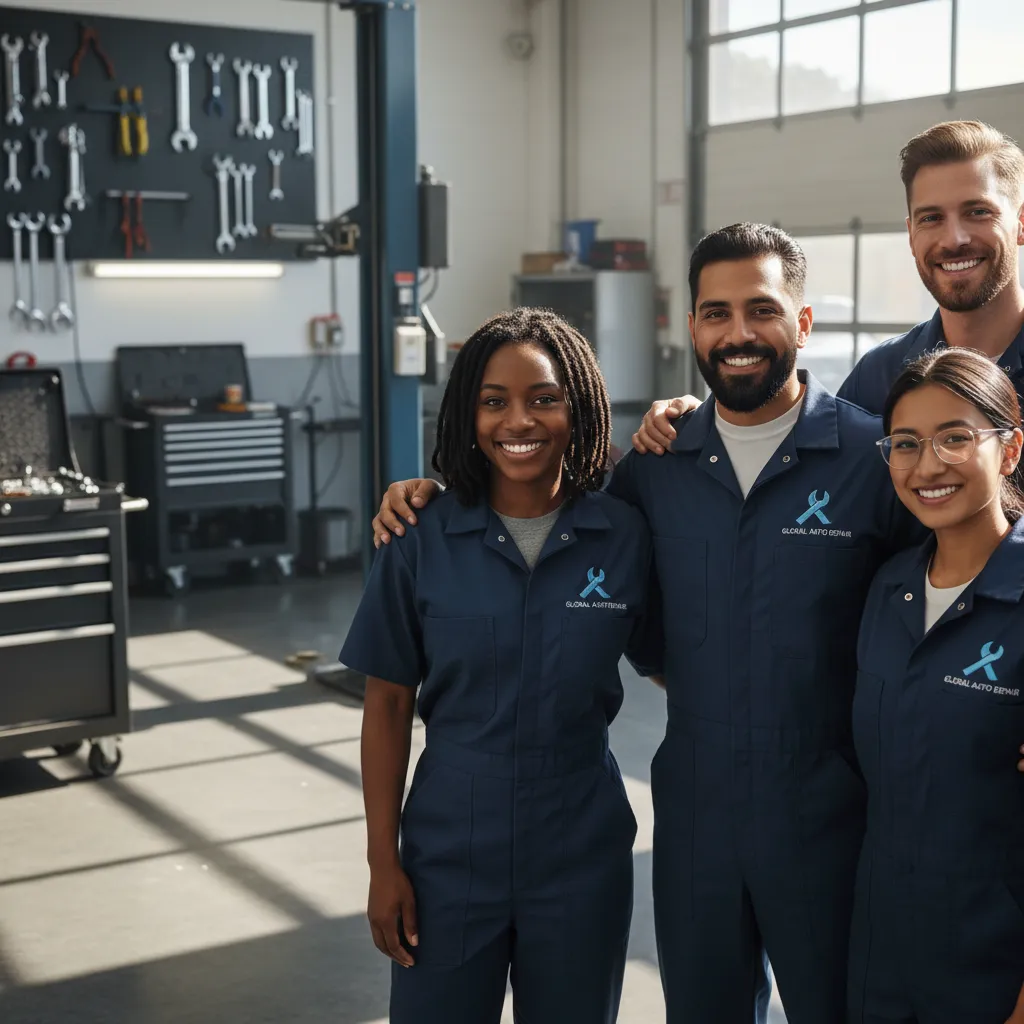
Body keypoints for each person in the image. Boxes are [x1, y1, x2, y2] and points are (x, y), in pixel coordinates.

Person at [369, 224, 914, 1023]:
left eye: (760, 310)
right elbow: (397, 691)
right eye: (714, 312)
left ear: (801, 323)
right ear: (688, 326)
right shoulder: (656, 473)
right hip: (684, 818)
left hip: (824, 814)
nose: (736, 333)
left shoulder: (874, 461)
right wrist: (421, 491)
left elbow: (952, 587)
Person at [341, 308, 658, 1024]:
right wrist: (382, 863)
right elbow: (387, 704)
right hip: (449, 847)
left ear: (578, 408)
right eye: (494, 401)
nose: (519, 421)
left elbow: (675, 664)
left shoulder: (624, 537)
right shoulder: (418, 538)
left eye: (544, 398)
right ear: (467, 414)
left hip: (581, 844)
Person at [633, 120, 1024, 450]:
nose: (953, 239)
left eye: (977, 212)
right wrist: (696, 419)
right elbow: (800, 456)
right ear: (910, 234)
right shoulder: (881, 376)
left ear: (1020, 222)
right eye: (931, 218)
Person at [850, 347, 1024, 1024]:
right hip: (881, 957)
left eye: (956, 438)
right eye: (906, 444)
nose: (927, 466)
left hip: (991, 968)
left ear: (1009, 452)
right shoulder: (886, 589)